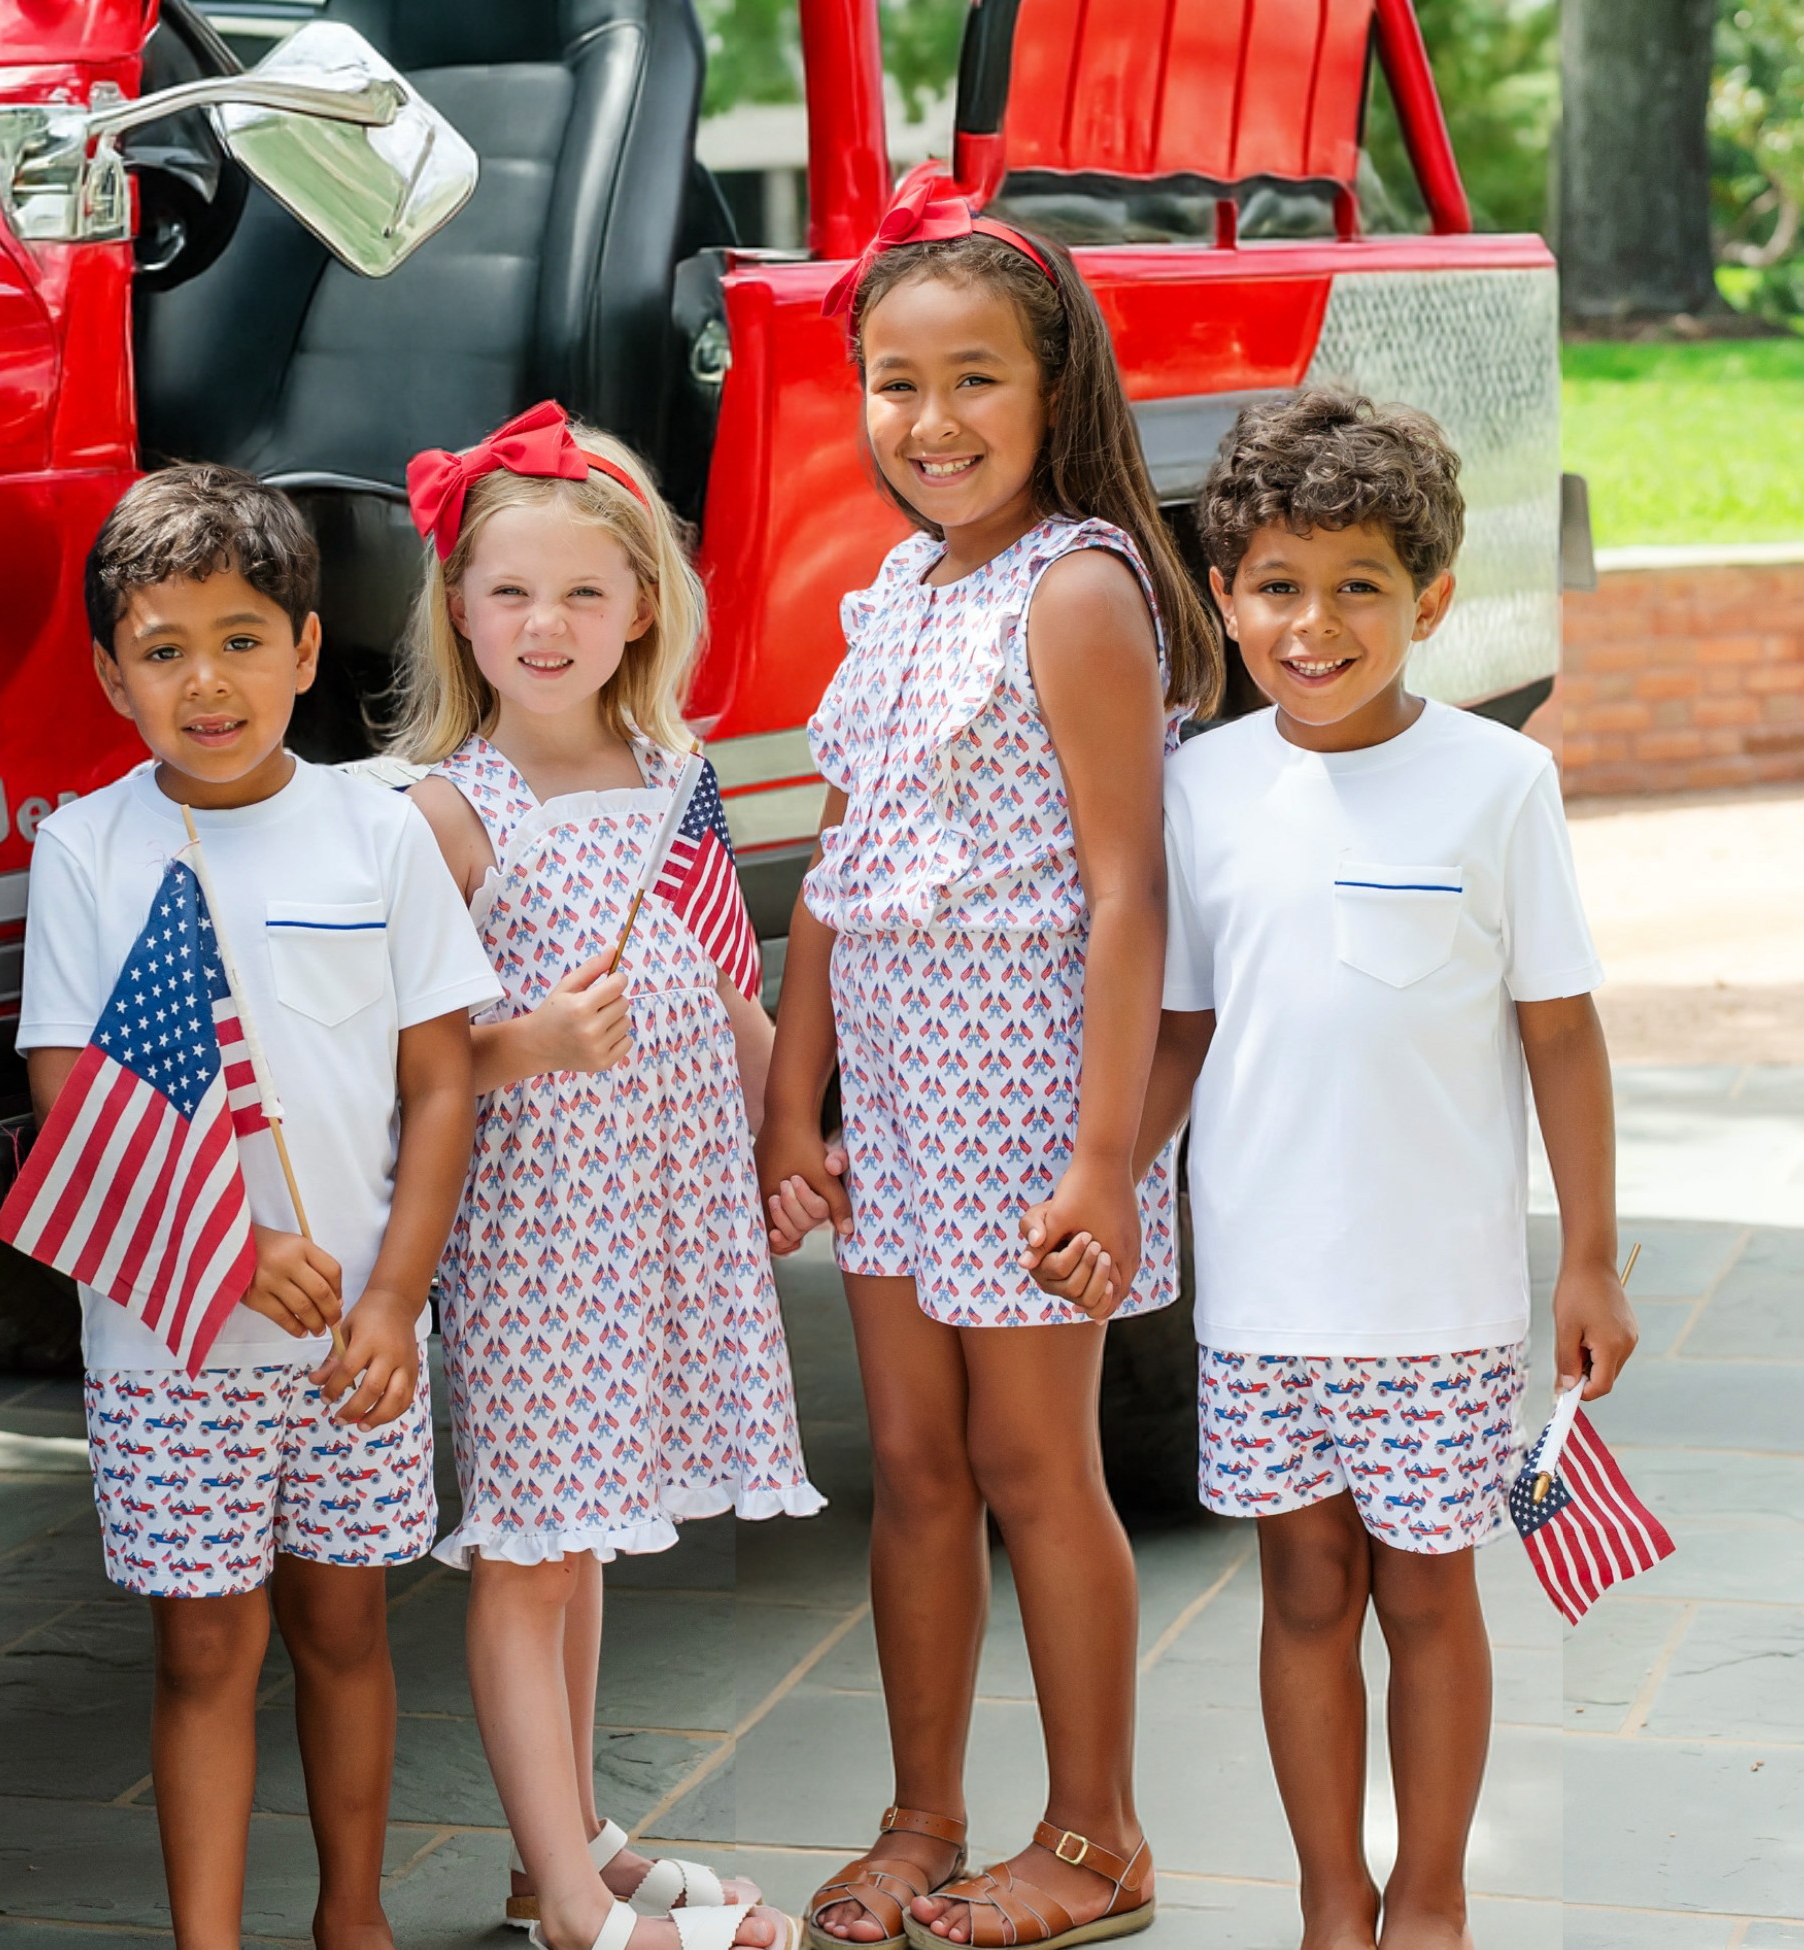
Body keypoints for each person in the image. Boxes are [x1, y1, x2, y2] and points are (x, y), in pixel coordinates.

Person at [753, 173, 1219, 1950]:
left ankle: (1098, 1836)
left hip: (1034, 1108)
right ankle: (921, 1814)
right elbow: (838, 879)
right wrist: (797, 1099)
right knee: (922, 1476)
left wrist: (1107, 1156)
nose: (930, 422)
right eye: (895, 382)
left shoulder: (1077, 587)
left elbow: (1128, 893)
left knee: (1039, 1471)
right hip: (901, 1110)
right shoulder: (893, 589)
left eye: (973, 381)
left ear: (1054, 391)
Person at [1117, 388, 1637, 1950]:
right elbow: (1183, 1032)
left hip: (1441, 1296)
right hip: (1264, 1296)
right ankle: (1330, 1900)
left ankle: (1430, 1897)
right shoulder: (1201, 786)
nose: (1315, 624)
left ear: (1432, 601)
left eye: (1359, 588)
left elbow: (1561, 1035)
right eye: (1277, 586)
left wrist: (1591, 1256)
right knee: (1301, 1597)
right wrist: (1102, 1184)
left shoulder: (1497, 785)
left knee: (1427, 1599)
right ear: (1223, 597)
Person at [18, 463, 495, 1950]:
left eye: (239, 639)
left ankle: (352, 1916)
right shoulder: (87, 848)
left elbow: (440, 1086)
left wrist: (397, 1297)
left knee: (347, 1631)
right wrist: (226, 1246)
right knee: (205, 1646)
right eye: (163, 650)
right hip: (172, 1342)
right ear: (114, 674)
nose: (205, 682)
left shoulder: (379, 836)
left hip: (355, 1337)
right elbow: (67, 1088)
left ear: (304, 647)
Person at [390, 403, 816, 1950]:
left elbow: (729, 983)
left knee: (587, 1537)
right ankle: (573, 1909)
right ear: (459, 608)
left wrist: (791, 1133)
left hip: (658, 1212)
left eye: (582, 592)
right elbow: (396, 1058)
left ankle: (562, 1839)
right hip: (535, 1230)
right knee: (529, 1547)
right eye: (511, 592)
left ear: (644, 605)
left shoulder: (671, 773)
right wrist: (526, 1041)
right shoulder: (445, 812)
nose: (546, 625)